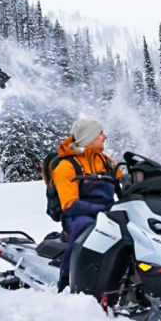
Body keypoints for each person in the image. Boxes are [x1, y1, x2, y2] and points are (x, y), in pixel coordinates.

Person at [52, 116, 118, 290]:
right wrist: (101, 210)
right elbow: (69, 205)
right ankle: (67, 281)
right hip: (77, 216)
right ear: (89, 137)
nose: (105, 137)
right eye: (100, 133)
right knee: (87, 228)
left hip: (107, 213)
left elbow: (123, 181)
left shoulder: (105, 161)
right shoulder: (66, 166)